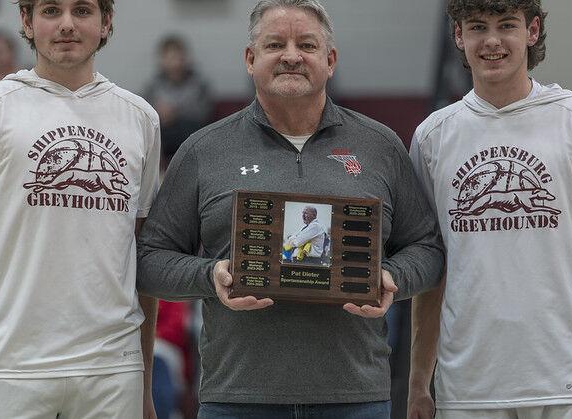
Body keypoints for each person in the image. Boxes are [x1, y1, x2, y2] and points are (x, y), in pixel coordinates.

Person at [137, 0, 444, 417]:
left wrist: (392, 277)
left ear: (330, 60)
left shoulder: (381, 146)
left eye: (307, 45)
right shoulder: (203, 150)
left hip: (355, 398)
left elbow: (427, 247)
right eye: (275, 44)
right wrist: (211, 275)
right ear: (250, 59)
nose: (291, 56)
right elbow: (149, 261)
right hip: (236, 398)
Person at [408, 1, 572, 419]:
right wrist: (417, 385)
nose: (493, 41)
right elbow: (431, 270)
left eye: (507, 25)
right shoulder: (432, 137)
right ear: (459, 37)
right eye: (478, 27)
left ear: (532, 32)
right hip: (467, 389)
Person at [0, 0, 161, 417]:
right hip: (7, 368)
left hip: (113, 369)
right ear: (27, 22)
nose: (67, 24)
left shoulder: (140, 118)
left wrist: (143, 386)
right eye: (51, 10)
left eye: (83, 11)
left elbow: (141, 260)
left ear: (106, 23)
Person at [143, 35, 213, 167]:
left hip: (190, 133)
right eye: (169, 58)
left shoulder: (198, 83)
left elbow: (203, 113)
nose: (174, 63)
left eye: (177, 57)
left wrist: (174, 113)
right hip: (164, 135)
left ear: (185, 58)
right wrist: (159, 114)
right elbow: (145, 113)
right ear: (162, 60)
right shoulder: (154, 85)